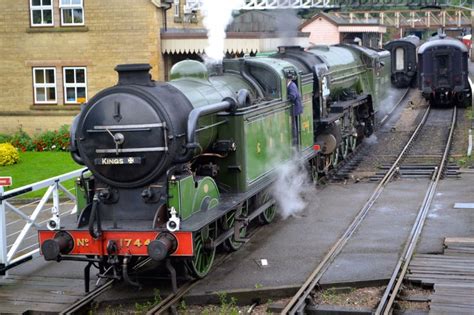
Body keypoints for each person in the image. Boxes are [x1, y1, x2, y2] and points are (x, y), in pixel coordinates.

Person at [286, 72, 303, 147]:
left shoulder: (291, 86)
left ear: (288, 79)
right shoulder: (290, 85)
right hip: (295, 107)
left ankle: (295, 142)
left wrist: (285, 97)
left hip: (295, 108)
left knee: (294, 125)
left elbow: (293, 96)